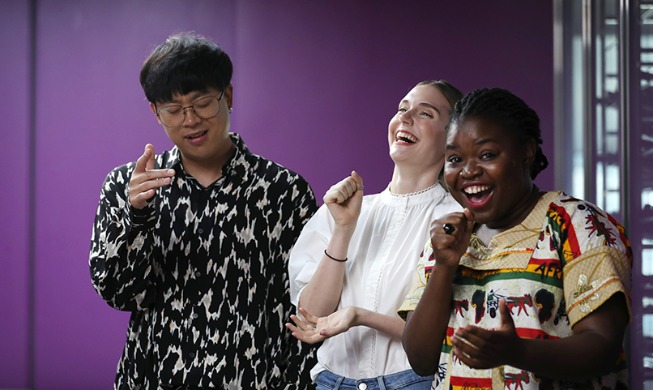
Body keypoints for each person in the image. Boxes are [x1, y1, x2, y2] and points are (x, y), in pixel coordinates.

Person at [89, 32, 318, 389]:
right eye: (174, 110)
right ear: (155, 112)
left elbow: (307, 306)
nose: (190, 119)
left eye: (202, 103)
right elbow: (120, 294)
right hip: (155, 378)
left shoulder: (283, 190)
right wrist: (136, 217)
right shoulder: (128, 186)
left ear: (227, 96)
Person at [400, 87, 632, 389]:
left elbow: (603, 348)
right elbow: (421, 360)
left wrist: (517, 352)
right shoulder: (449, 238)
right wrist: (444, 266)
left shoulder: (576, 223)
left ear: (526, 153)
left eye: (487, 155)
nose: (468, 171)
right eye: (455, 158)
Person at [286, 80, 464, 389]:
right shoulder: (343, 212)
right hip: (332, 382)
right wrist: (343, 229)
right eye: (402, 109)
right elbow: (312, 315)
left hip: (414, 382)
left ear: (453, 137)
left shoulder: (455, 220)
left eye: (425, 113)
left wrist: (360, 315)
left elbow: (441, 335)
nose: (405, 119)